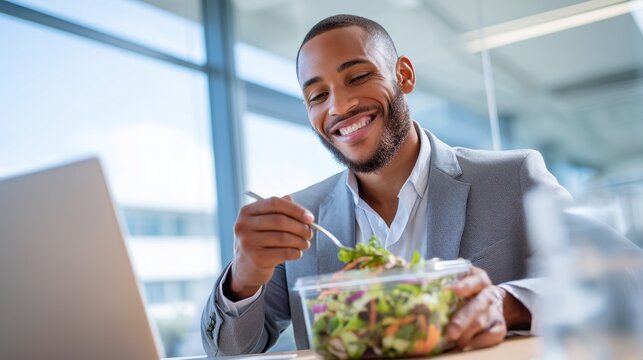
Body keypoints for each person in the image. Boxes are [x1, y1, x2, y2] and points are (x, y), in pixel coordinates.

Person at [201, 14, 566, 356]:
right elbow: (228, 353)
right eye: (318, 96)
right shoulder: (301, 219)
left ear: (403, 75)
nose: (340, 105)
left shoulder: (513, 177)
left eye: (358, 77)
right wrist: (243, 279)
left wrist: (509, 304)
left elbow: (618, 276)